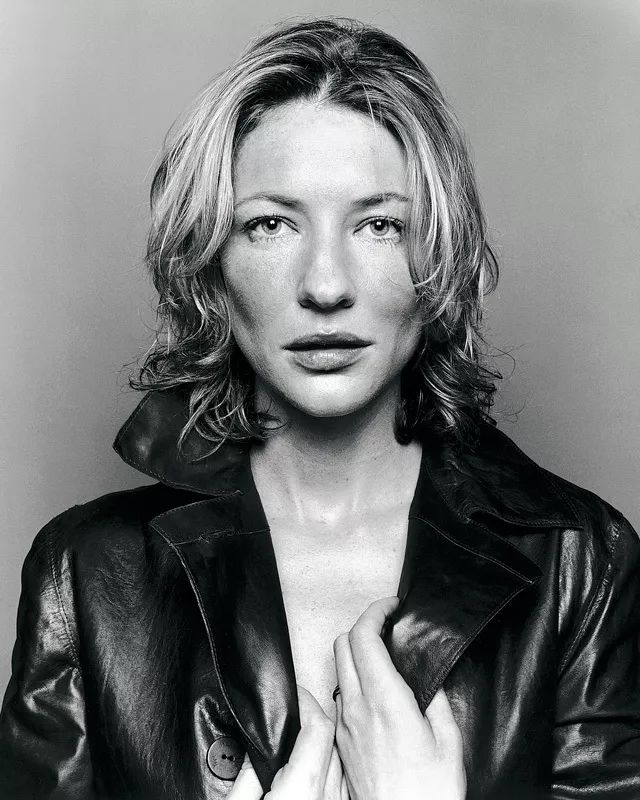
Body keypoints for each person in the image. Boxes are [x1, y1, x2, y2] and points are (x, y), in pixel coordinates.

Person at [1, 15, 638, 800]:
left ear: (440, 257)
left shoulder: (580, 562)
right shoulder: (87, 571)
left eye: (380, 224)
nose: (326, 285)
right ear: (209, 263)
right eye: (270, 224)